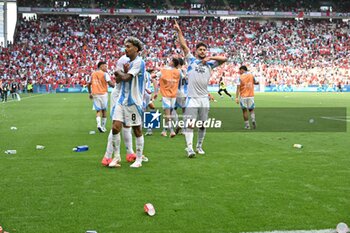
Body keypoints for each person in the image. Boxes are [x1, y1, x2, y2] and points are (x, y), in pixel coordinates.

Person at [174, 20, 227, 158]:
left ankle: (199, 146)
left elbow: (224, 59)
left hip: (204, 99)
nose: (202, 51)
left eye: (204, 50)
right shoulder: (191, 60)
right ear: (196, 51)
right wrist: (179, 31)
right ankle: (190, 148)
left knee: (203, 125)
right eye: (200, 50)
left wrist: (210, 57)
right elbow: (184, 46)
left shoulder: (210, 64)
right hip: (192, 98)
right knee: (190, 124)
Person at [108, 37, 146, 168]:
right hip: (121, 101)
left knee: (136, 130)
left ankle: (139, 159)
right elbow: (118, 81)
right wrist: (121, 73)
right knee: (115, 127)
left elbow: (125, 77)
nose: (126, 48)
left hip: (134, 103)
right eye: (125, 46)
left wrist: (118, 72)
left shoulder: (139, 62)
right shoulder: (127, 62)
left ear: (136, 48)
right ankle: (116, 157)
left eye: (128, 46)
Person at [156, 57, 181, 137]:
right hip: (173, 95)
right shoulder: (178, 72)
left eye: (171, 61)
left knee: (167, 114)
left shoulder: (164, 70)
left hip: (166, 95)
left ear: (172, 63)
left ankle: (172, 131)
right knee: (169, 113)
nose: (169, 61)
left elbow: (155, 76)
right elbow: (183, 76)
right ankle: (164, 131)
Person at [87, 61, 115, 133]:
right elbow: (110, 83)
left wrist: (90, 93)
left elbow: (88, 84)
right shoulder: (105, 74)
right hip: (103, 94)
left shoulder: (93, 74)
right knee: (104, 110)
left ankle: (98, 125)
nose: (106, 68)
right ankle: (103, 126)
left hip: (95, 93)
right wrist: (116, 87)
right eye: (105, 66)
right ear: (101, 66)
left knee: (98, 110)